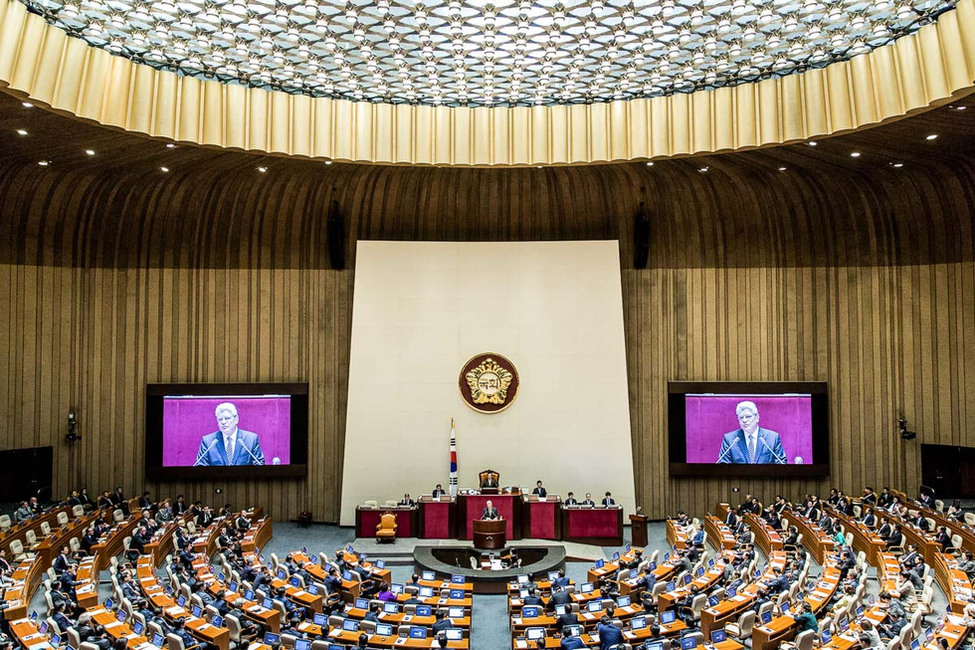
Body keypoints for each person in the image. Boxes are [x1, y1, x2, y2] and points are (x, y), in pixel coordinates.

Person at [195, 402, 265, 466]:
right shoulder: (208, 441)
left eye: (227, 418)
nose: (223, 422)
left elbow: (259, 464)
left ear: (236, 419)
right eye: (220, 419)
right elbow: (201, 466)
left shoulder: (251, 439)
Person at [717, 401, 786, 464]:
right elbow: (723, 464)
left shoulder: (772, 438)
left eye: (748, 416)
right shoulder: (730, 439)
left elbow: (781, 463)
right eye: (741, 417)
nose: (744, 420)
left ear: (757, 418)